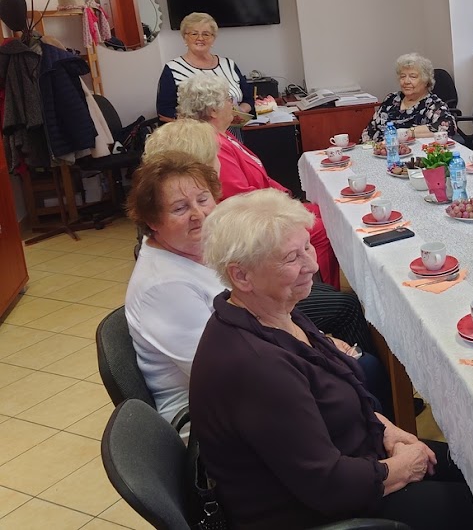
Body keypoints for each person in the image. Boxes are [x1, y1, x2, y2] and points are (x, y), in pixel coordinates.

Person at [190, 190, 473, 530]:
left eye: (307, 247)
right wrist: (403, 467)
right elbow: (328, 486)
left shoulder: (272, 310)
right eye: (291, 258)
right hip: (315, 511)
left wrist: (386, 429)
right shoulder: (257, 366)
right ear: (241, 276)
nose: (312, 265)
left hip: (356, 456)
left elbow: (339, 390)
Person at [125, 151, 387, 424]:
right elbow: (223, 371)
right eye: (180, 208)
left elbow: (263, 312)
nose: (198, 214)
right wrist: (316, 357)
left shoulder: (191, 249)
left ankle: (382, 430)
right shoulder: (163, 288)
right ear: (152, 221)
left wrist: (319, 342)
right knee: (360, 373)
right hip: (220, 414)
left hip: (258, 365)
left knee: (359, 369)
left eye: (203, 199)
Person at [177, 73, 342, 288]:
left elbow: (258, 175)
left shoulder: (223, 134)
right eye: (228, 99)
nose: (233, 104)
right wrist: (282, 203)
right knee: (322, 228)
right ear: (213, 110)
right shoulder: (213, 143)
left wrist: (284, 196)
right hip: (250, 218)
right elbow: (238, 196)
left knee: (326, 210)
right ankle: (319, 289)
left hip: (263, 202)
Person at [157, 12, 253, 121]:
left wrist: (239, 113)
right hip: (193, 130)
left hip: (232, 128)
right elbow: (164, 111)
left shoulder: (229, 64)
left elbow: (249, 99)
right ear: (185, 37)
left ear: (213, 38)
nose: (200, 38)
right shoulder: (172, 69)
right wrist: (200, 124)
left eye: (206, 34)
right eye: (194, 34)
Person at [363, 53, 458, 141]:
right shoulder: (391, 99)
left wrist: (408, 133)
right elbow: (369, 131)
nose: (406, 81)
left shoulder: (433, 105)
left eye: (413, 77)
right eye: (402, 76)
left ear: (426, 81)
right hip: (379, 150)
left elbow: (448, 127)